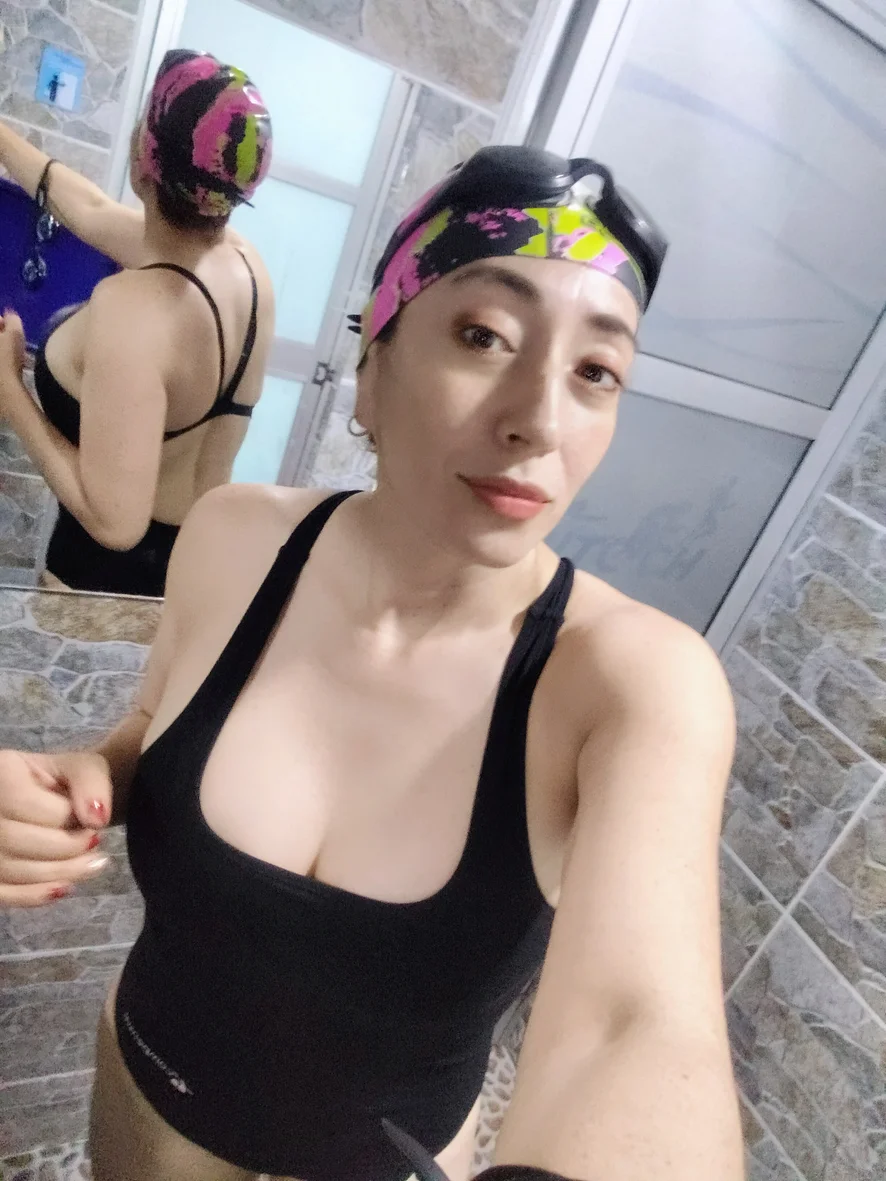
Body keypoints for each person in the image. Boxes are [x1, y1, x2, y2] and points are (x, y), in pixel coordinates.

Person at [0, 146, 744, 1181]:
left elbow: (635, 1027)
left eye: (595, 372)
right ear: (373, 367)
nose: (539, 418)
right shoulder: (234, 537)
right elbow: (152, 723)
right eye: (484, 335)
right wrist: (95, 774)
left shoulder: (631, 683)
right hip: (144, 1099)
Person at [0, 50, 275, 597]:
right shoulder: (246, 267)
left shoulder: (132, 310)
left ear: (142, 159)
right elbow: (93, 210)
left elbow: (116, 526)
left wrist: (9, 388)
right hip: (185, 578)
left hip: (99, 594)